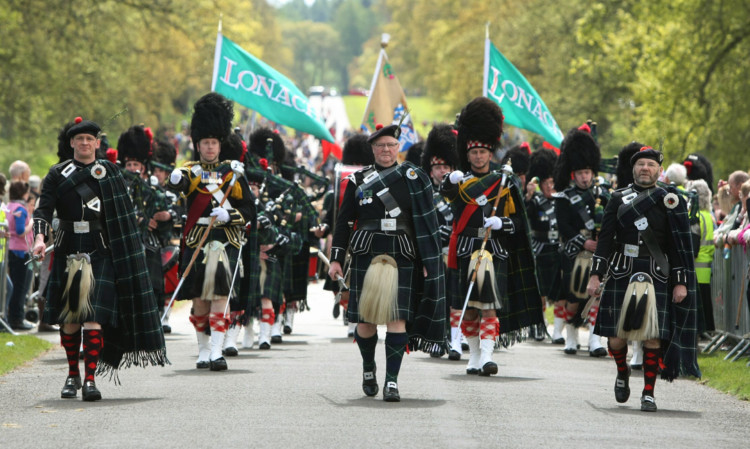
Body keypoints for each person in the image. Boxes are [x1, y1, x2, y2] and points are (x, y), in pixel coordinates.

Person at [31, 116, 168, 401]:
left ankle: (90, 379)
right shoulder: (57, 174)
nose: (84, 143)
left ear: (96, 143)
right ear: (72, 143)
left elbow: (122, 217)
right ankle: (72, 375)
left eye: (89, 139)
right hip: (68, 247)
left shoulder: (110, 172)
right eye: (79, 139)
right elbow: (43, 211)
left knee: (93, 317)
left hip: (100, 250)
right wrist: (41, 239)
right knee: (70, 320)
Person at [328, 123, 446, 402]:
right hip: (366, 252)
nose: (385, 150)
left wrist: (430, 259)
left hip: (403, 253)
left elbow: (427, 222)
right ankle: (369, 368)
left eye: (391, 145)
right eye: (380, 146)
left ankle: (391, 381)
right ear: (372, 149)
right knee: (365, 322)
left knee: (397, 318)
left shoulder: (414, 178)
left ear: (398, 147)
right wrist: (336, 259)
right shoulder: (358, 180)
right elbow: (344, 222)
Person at [587, 146, 701, 412]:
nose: (645, 168)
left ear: (659, 170)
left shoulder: (669, 198)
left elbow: (678, 246)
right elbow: (604, 242)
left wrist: (681, 281)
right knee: (616, 338)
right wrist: (595, 275)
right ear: (633, 169)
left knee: (652, 337)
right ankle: (622, 370)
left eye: (650, 164)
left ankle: (648, 393)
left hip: (657, 273)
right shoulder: (617, 198)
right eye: (641, 164)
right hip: (622, 271)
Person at [441, 97, 544, 376]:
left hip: (494, 250)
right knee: (470, 308)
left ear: (490, 154)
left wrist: (501, 223)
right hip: (466, 248)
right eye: (473, 152)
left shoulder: (504, 181)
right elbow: (445, 194)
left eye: (483, 153)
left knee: (488, 306)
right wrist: (449, 180)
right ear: (468, 152)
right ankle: (473, 355)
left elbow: (520, 223)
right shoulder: (459, 180)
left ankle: (487, 356)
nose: (478, 157)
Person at [168, 93, 254, 371]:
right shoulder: (190, 171)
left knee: (220, 296)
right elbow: (179, 186)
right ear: (198, 144)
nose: (209, 147)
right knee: (200, 298)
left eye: (213, 143)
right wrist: (175, 179)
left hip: (225, 239)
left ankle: (217, 349)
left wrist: (230, 215)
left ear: (220, 144)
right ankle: (203, 348)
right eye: (205, 143)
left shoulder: (233, 173)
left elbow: (250, 210)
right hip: (198, 240)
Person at [553, 124, 609, 357]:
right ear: (573, 174)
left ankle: (595, 339)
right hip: (575, 252)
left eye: (588, 172)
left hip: (598, 252)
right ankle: (572, 335)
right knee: (574, 296)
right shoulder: (564, 197)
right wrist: (583, 242)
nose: (585, 177)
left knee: (596, 296)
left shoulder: (603, 194)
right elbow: (563, 225)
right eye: (580, 173)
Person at [420, 123, 460, 359]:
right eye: (438, 167)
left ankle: (456, 337)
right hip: (434, 253)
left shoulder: (461, 191)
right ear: (430, 168)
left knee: (455, 297)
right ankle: (436, 338)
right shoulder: (425, 194)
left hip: (455, 251)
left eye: (446, 166)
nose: (442, 171)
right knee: (436, 299)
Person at [524, 148, 563, 343]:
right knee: (539, 291)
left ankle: (557, 330)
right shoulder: (536, 200)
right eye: (547, 183)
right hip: (539, 248)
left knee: (558, 291)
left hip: (557, 248)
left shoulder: (562, 200)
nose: (551, 186)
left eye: (553, 182)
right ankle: (539, 326)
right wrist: (529, 196)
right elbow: (526, 215)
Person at [685, 179, 715, 333]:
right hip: (706, 267)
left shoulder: (697, 216)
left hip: (696, 268)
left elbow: (694, 247)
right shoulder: (709, 216)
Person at [5, 181, 34, 330]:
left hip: (11, 249)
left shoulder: (9, 206)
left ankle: (13, 316)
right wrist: (32, 223)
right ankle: (18, 318)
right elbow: (21, 230)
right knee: (21, 287)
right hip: (21, 252)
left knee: (14, 286)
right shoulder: (21, 209)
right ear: (23, 193)